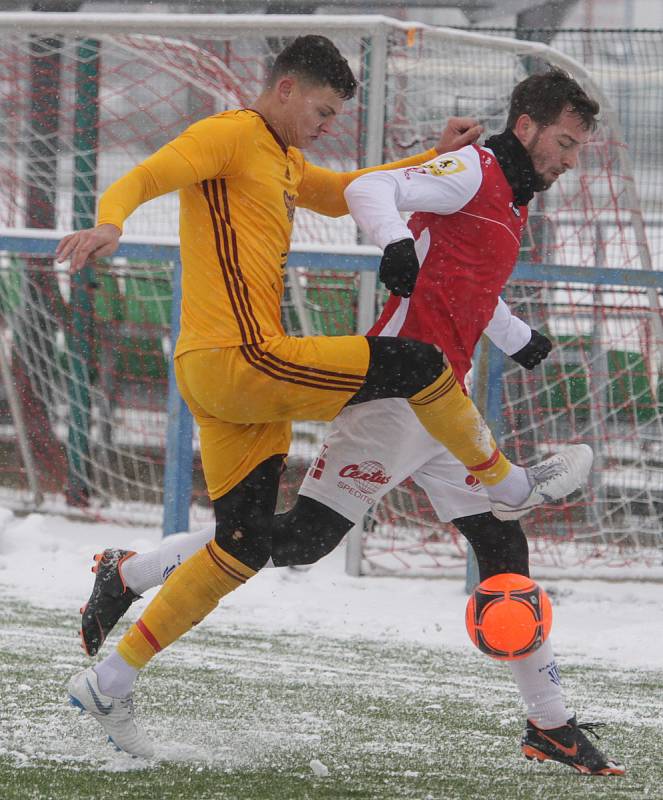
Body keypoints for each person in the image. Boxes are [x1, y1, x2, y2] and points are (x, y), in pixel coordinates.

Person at [61, 38, 592, 761]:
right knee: (411, 366)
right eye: (321, 109)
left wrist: (425, 165)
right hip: (243, 360)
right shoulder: (227, 134)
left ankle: (112, 670)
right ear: (283, 89)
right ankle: (513, 481)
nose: (325, 123)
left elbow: (346, 190)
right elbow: (149, 175)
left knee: (247, 545)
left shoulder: (283, 161)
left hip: (260, 379)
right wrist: (111, 223)